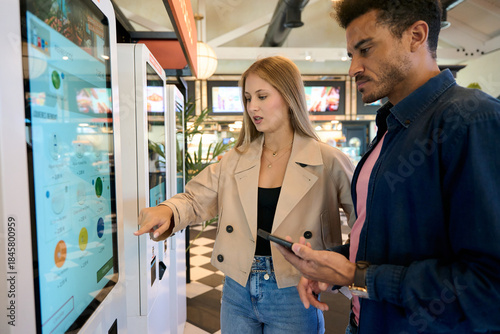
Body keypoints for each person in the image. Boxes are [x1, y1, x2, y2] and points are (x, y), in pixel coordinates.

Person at [276, 1, 500, 333]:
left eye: (365, 49)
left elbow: (488, 286)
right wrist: (330, 265)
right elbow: (390, 240)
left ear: (416, 35)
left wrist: (357, 276)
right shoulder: (391, 128)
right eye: (351, 55)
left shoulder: (470, 121)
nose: (353, 68)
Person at [134, 55, 356, 333]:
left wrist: (350, 271)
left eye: (262, 96)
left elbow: (364, 224)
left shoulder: (328, 160)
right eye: (248, 98)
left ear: (289, 97)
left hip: (295, 289)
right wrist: (167, 210)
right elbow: (194, 199)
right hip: (238, 287)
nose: (253, 107)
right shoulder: (236, 159)